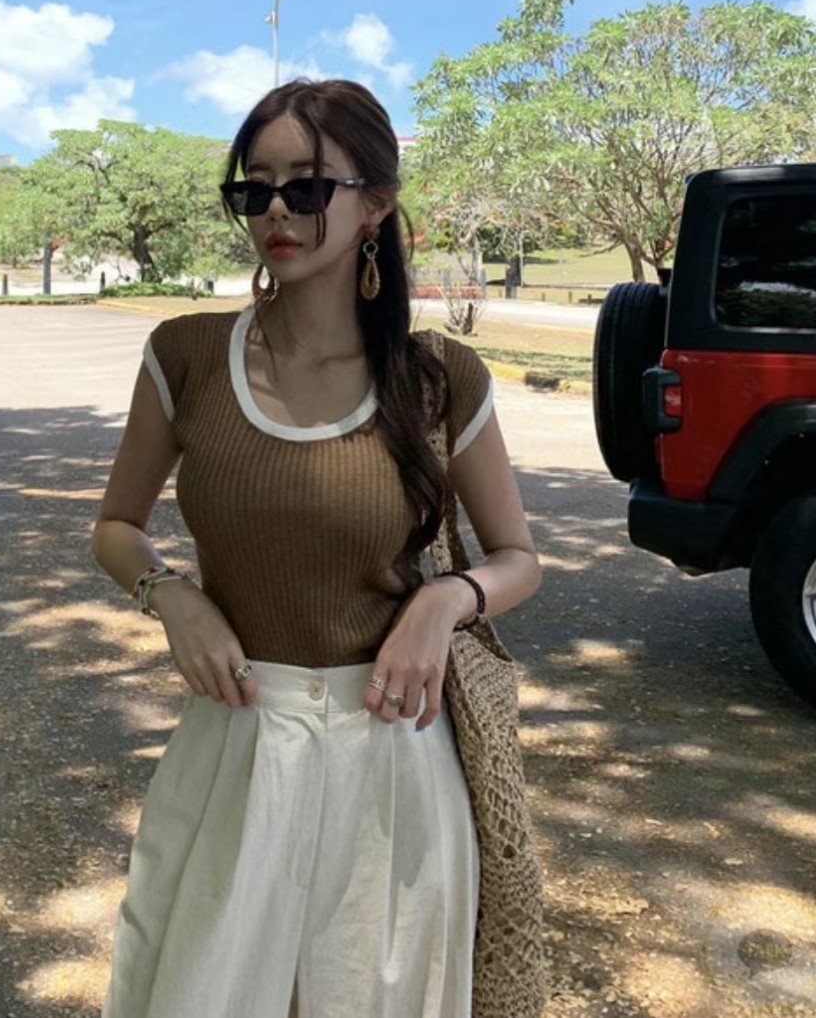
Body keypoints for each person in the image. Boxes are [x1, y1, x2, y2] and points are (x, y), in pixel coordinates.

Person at [92, 78, 541, 1018]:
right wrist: (170, 596)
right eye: (254, 188)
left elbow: (516, 557)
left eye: (306, 186)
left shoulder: (439, 377)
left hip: (392, 760)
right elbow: (117, 527)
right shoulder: (185, 356)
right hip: (235, 748)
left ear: (375, 204)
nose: (276, 211)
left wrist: (443, 601)